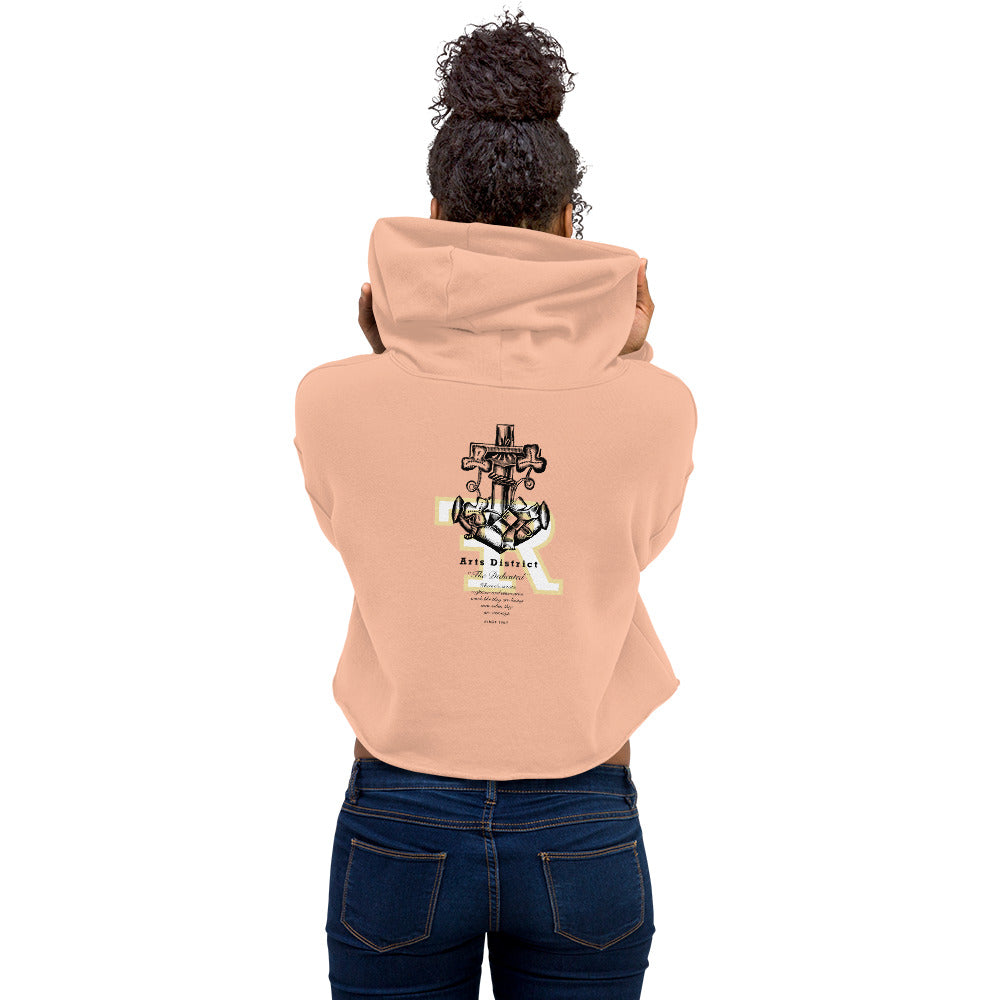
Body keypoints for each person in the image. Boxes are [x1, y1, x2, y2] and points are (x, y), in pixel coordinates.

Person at [293, 9, 697, 998]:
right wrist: (630, 354)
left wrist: (392, 354)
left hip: (400, 818)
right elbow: (626, 543)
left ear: (434, 217)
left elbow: (364, 527)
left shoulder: (329, 400)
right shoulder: (659, 407)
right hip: (581, 817)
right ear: (567, 225)